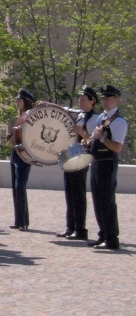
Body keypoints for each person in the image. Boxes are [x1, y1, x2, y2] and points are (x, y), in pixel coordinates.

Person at [56, 85, 99, 240]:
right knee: (70, 194)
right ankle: (71, 226)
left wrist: (82, 133)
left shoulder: (95, 119)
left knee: (78, 194)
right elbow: (65, 109)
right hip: (71, 158)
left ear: (92, 101)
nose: (79, 102)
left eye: (83, 99)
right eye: (79, 99)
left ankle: (80, 229)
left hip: (82, 159)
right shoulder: (80, 115)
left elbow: (93, 140)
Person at [88, 85, 127, 250]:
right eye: (103, 98)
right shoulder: (102, 117)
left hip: (108, 163)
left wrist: (102, 139)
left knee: (107, 201)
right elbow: (94, 137)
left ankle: (111, 238)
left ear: (116, 99)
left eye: (108, 97)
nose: (105, 100)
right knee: (97, 200)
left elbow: (117, 147)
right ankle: (103, 234)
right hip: (97, 161)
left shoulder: (118, 121)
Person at [7, 88, 35, 232]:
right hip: (15, 153)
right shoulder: (15, 119)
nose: (17, 102)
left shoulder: (31, 119)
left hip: (25, 155)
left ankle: (24, 221)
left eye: (20, 99)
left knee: (20, 186)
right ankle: (18, 220)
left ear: (26, 102)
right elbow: (10, 141)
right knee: (15, 186)